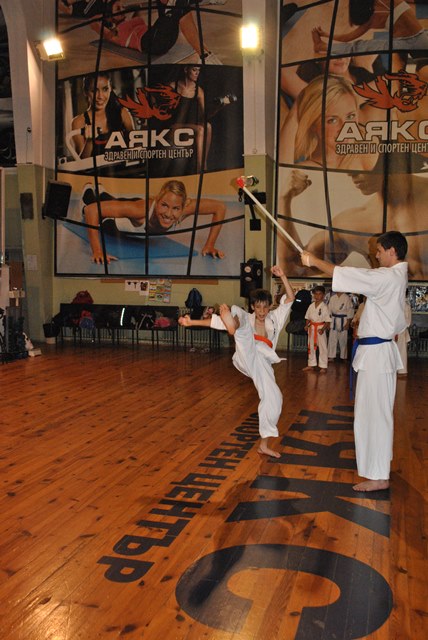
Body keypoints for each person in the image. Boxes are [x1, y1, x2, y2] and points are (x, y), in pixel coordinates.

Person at [300, 230, 408, 492]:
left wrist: (314, 261)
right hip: (377, 355)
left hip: (377, 357)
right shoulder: (395, 276)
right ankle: (378, 468)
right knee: (372, 415)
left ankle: (379, 475)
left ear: (392, 251)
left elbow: (348, 275)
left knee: (375, 417)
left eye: (379, 251)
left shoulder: (388, 277)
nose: (376, 255)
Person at [178, 266, 295, 458]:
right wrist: (192, 322)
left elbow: (290, 298)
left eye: (265, 307)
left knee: (274, 398)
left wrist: (283, 276)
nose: (262, 311)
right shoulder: (248, 317)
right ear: (253, 307)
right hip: (245, 352)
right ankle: (233, 325)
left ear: (269, 307)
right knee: (240, 318)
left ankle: (264, 445)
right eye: (258, 307)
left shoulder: (275, 319)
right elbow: (215, 322)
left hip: (262, 361)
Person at [278, 166, 427, 280]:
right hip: (385, 306)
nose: (350, 174)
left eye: (357, 161)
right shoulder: (353, 222)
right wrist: (284, 200)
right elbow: (294, 268)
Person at [81, 179, 226, 264]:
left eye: (175, 208)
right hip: (112, 223)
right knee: (90, 205)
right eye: (164, 205)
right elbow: (91, 211)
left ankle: (101, 191)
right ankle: (88, 189)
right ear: (157, 201)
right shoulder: (140, 210)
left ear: (183, 206)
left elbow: (220, 207)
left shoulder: (186, 208)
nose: (168, 214)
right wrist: (97, 251)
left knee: (115, 201)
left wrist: (210, 245)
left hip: (134, 206)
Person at [280, 75, 377, 170]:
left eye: (350, 116)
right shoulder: (305, 171)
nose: (346, 128)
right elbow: (282, 174)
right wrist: (293, 115)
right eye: (332, 120)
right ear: (313, 125)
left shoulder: (370, 146)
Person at [312, 0, 428, 55]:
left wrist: (327, 34)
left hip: (407, 43)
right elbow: (347, 37)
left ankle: (321, 46)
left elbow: (347, 38)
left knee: (356, 48)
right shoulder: (385, 4)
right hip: (420, 37)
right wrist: (326, 34)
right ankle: (322, 46)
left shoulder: (371, 18)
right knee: (359, 47)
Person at [70, 72, 134, 159]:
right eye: (94, 91)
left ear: (110, 89)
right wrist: (89, 141)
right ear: (86, 92)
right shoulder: (78, 122)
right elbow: (81, 162)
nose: (100, 96)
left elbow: (136, 149)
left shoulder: (122, 113)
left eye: (105, 89)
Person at [303, 285, 331, 373]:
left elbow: (328, 321)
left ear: (323, 295)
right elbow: (307, 318)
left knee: (323, 347)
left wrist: (323, 329)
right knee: (311, 346)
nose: (317, 296)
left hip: (320, 328)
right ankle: (311, 364)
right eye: (316, 294)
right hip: (312, 328)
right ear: (314, 295)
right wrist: (306, 325)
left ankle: (323, 366)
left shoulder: (325, 307)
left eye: (320, 294)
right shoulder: (311, 306)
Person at [328, 291, 354, 361]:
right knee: (332, 339)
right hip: (333, 320)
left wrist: (348, 323)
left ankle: (343, 357)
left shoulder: (346, 298)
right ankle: (331, 356)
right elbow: (329, 310)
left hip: (344, 320)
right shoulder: (332, 298)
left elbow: (350, 311)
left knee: (343, 339)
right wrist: (328, 322)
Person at [396, 292, 412, 376]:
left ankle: (402, 371)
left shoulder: (406, 306)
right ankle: (393, 369)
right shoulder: (395, 304)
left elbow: (408, 321)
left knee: (402, 352)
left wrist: (400, 326)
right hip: (393, 331)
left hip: (402, 331)